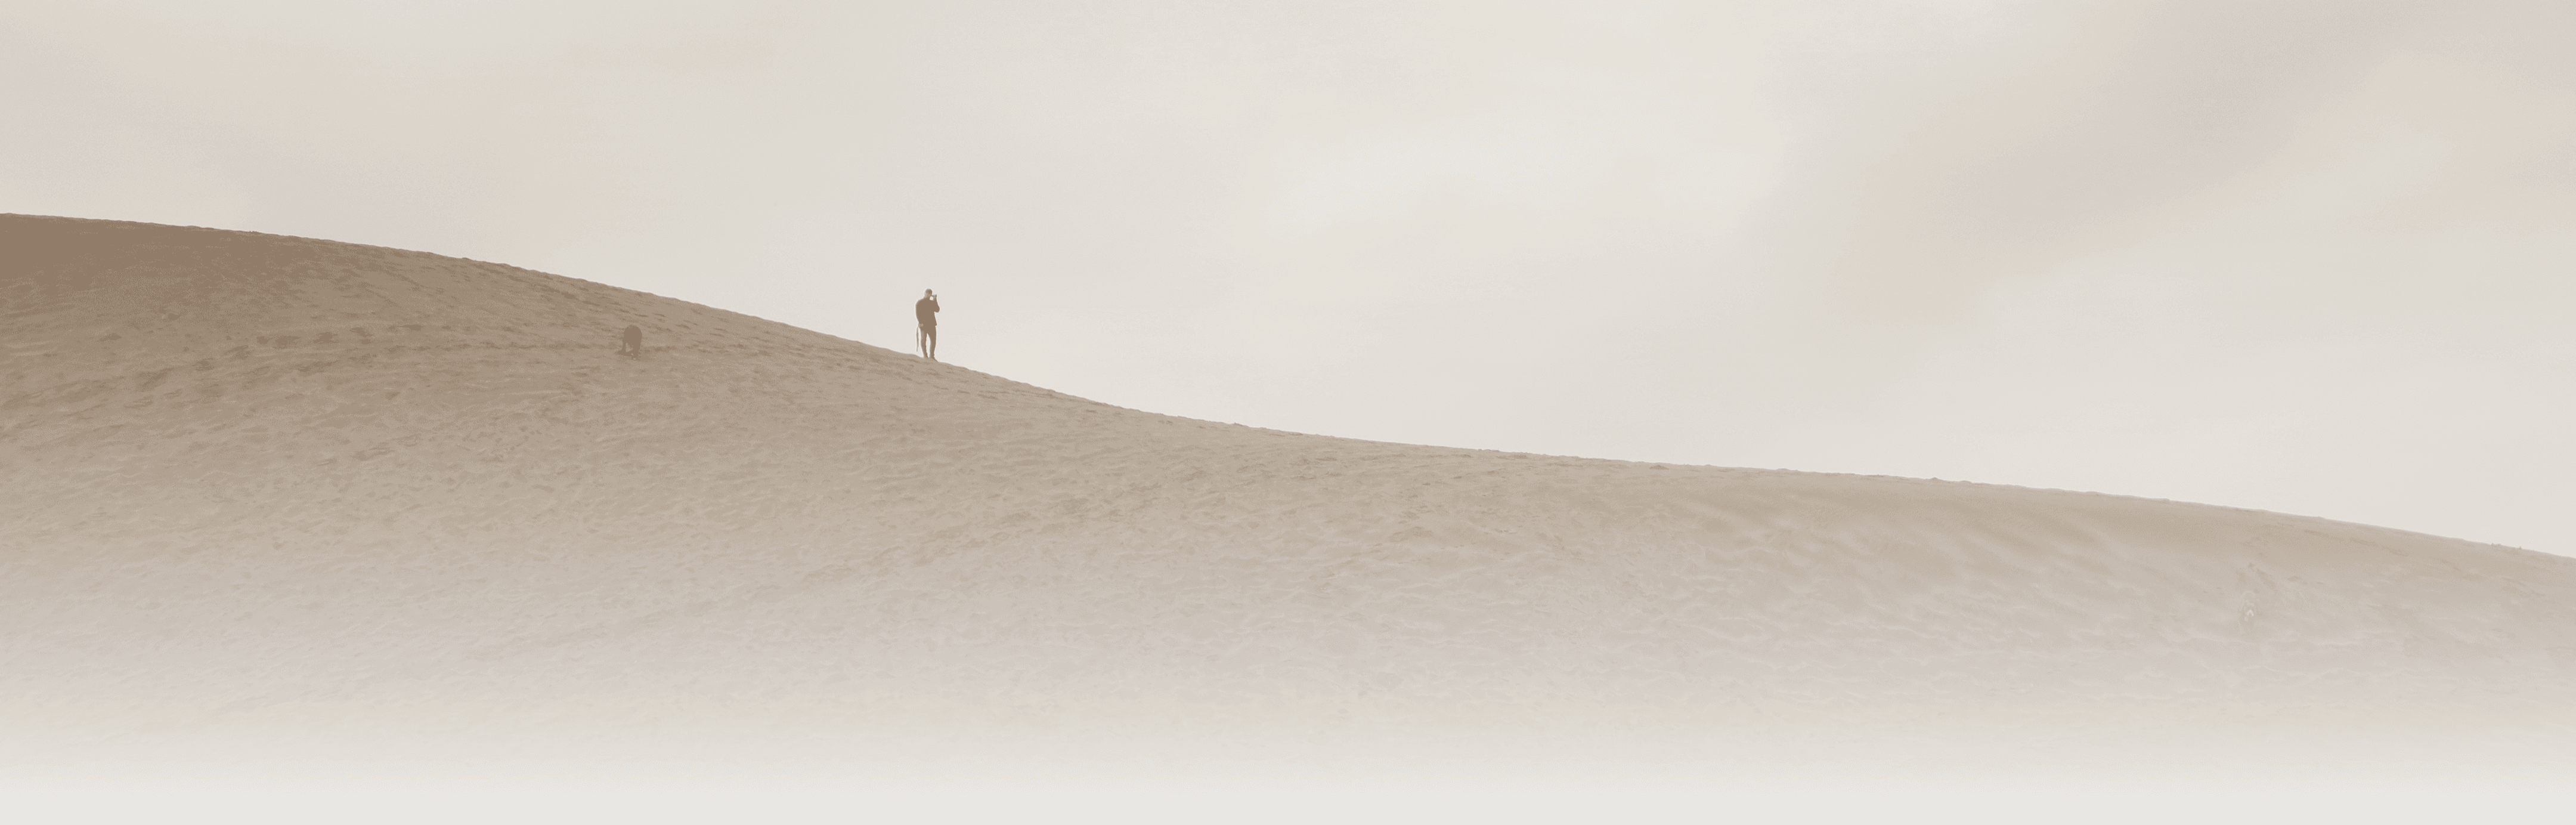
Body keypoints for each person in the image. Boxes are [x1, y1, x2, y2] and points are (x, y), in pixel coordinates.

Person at [914, 289, 940, 361]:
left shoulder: (932, 303)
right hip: (924, 325)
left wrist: (935, 300)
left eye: (930, 293)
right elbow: (917, 313)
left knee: (933, 340)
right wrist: (920, 322)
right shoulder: (920, 302)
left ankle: (932, 356)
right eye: (927, 293)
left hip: (932, 324)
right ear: (925, 293)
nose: (928, 294)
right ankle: (925, 355)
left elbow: (937, 309)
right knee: (923, 340)